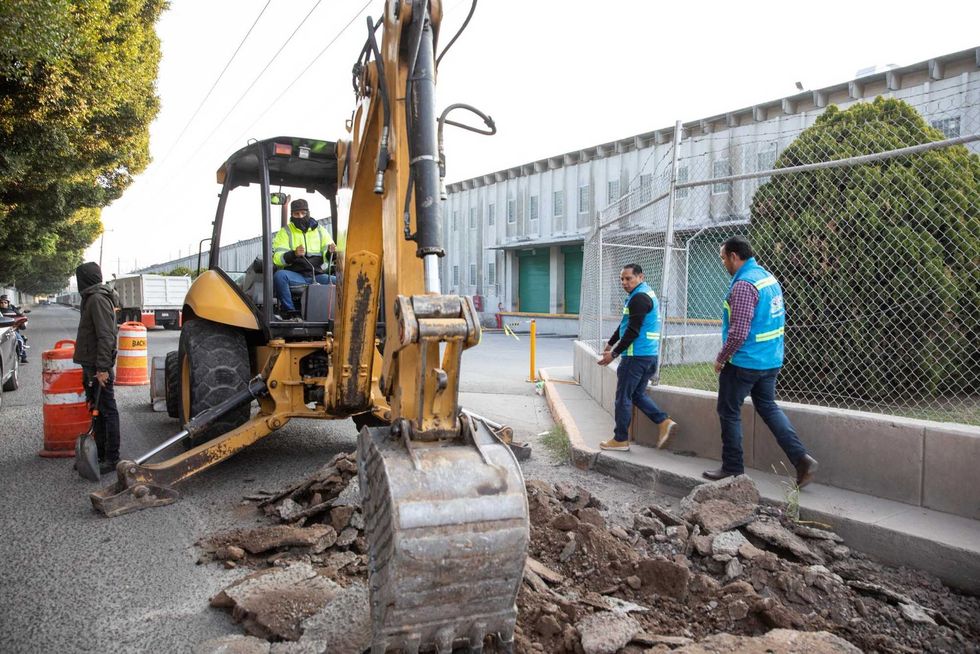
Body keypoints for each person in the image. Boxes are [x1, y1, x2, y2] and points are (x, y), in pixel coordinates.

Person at [706, 236, 818, 487]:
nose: (723, 263)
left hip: (745, 362)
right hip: (770, 360)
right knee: (768, 407)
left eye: (724, 258)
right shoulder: (767, 277)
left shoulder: (744, 285)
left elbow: (739, 331)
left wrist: (721, 358)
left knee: (729, 410)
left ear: (735, 256)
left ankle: (733, 469)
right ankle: (801, 459)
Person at [597, 263, 676, 451]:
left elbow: (632, 332)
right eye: (622, 279)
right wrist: (610, 343)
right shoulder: (643, 294)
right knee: (637, 394)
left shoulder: (638, 298)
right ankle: (664, 421)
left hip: (635, 357)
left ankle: (620, 439)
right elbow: (625, 324)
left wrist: (613, 354)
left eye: (629, 278)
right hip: (649, 356)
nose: (624, 282)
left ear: (641, 277)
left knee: (623, 397)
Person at [72, 262, 122, 475]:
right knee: (98, 410)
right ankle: (100, 454)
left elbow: (106, 336)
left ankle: (112, 458)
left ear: (84, 279)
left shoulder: (97, 300)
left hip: (97, 367)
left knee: (107, 411)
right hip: (91, 364)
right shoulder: (91, 298)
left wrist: (102, 368)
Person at [272, 198, 336, 317]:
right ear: (292, 215)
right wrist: (293, 254)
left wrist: (331, 252)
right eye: (296, 214)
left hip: (317, 275)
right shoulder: (285, 232)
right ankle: (290, 312)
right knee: (280, 276)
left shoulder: (321, 231)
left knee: (340, 282)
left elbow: (329, 257)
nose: (300, 216)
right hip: (297, 276)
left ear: (308, 213)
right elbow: (277, 258)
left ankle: (336, 314)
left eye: (303, 213)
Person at [0, 295, 29, 363]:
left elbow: (20, 318)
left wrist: (21, 323)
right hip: (1, 330)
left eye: (5, 302)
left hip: (12, 330)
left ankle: (22, 356)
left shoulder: (14, 311)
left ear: (8, 303)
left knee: (19, 340)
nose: (3, 304)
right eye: (1, 302)